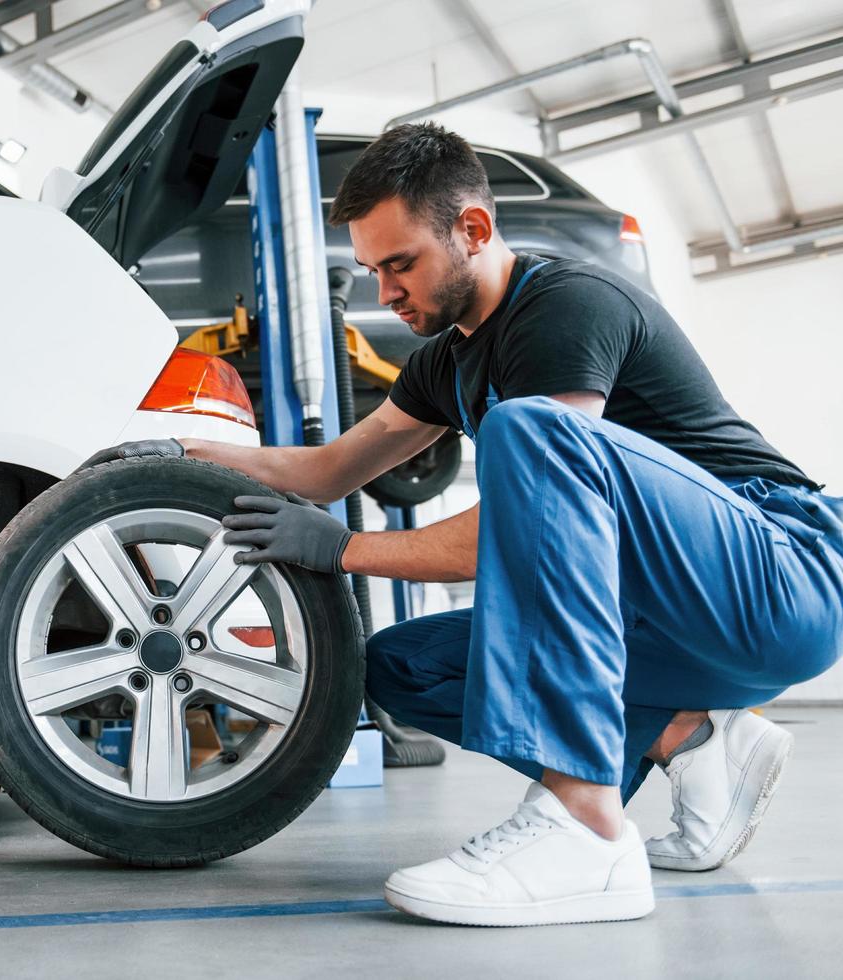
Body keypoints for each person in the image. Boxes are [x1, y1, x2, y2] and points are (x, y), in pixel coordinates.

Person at [83, 123, 843, 926]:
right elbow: (327, 468)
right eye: (374, 271)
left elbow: (529, 523)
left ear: (472, 230)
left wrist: (346, 549)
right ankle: (688, 735)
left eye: (400, 264)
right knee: (395, 666)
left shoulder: (566, 305)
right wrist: (174, 452)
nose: (385, 293)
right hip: (664, 627)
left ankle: (583, 830)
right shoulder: (445, 362)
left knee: (528, 432)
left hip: (780, 577)